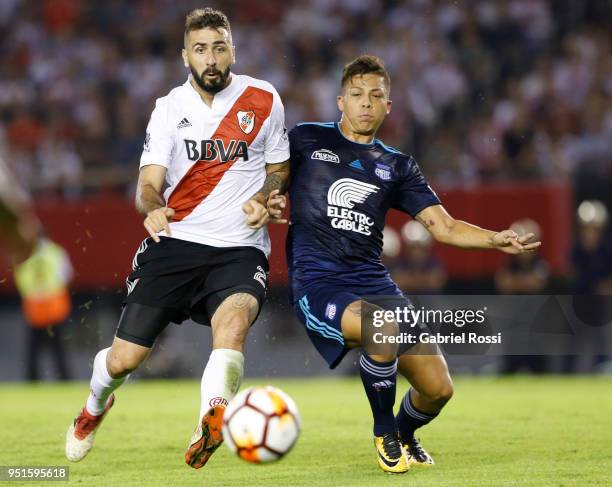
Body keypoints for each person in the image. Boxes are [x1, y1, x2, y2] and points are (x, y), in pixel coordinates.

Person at [279, 55, 540, 474]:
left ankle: (405, 432)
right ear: (340, 101)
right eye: (357, 95)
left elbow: (445, 227)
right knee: (379, 327)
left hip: (373, 281)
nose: (366, 103)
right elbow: (269, 176)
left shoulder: (397, 166)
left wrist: (495, 239)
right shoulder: (306, 138)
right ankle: (385, 436)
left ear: (389, 106)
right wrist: (268, 197)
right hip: (320, 283)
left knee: (438, 390)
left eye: (376, 96)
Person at [65, 8, 290, 469]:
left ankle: (213, 416)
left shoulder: (264, 99)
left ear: (233, 50)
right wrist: (152, 208)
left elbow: (279, 168)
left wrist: (267, 196)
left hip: (239, 246)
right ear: (185, 55)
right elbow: (148, 185)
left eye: (220, 47)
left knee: (235, 321)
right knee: (124, 360)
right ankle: (93, 409)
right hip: (177, 242)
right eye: (201, 49)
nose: (211, 58)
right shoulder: (169, 108)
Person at [14, 235, 73, 381]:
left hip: (36, 305)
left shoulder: (25, 252)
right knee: (57, 348)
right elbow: (66, 274)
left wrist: (34, 292)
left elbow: (19, 275)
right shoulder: (55, 251)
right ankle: (64, 379)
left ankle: (32, 380)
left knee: (34, 350)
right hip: (53, 305)